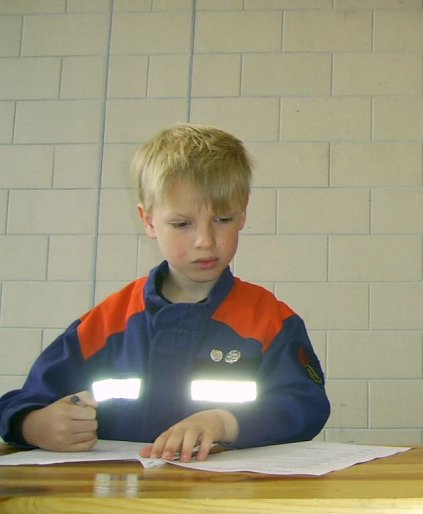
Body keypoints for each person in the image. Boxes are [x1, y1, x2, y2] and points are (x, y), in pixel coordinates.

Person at [0, 123, 330, 462]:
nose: (205, 240)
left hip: (224, 503)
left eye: (223, 219)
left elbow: (305, 405)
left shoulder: (270, 321)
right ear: (148, 221)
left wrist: (225, 422)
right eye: (182, 224)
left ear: (243, 213)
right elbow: (25, 400)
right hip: (119, 503)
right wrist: (34, 424)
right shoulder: (107, 324)